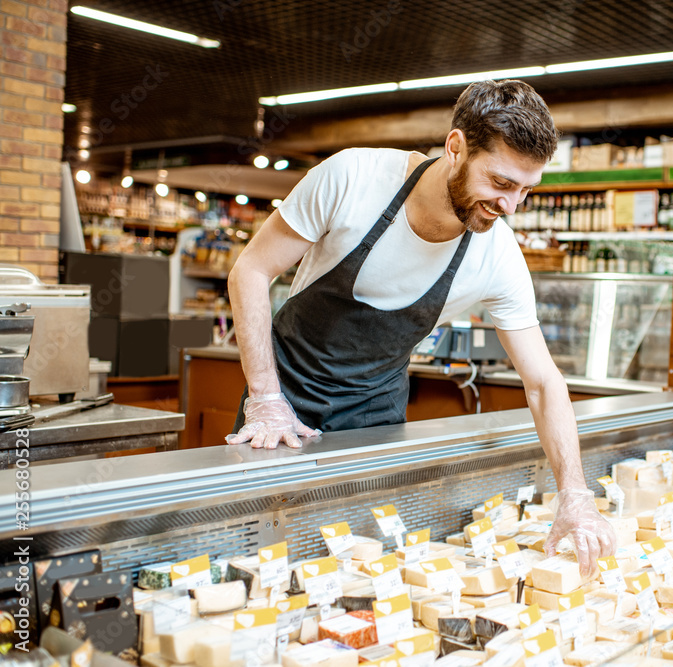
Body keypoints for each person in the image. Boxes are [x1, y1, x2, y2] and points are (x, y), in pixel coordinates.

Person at [225, 79, 615, 575]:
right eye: (499, 183)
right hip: (283, 402)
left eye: (524, 191)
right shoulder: (353, 177)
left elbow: (543, 383)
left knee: (363, 567)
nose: (510, 207)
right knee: (259, 558)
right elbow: (251, 270)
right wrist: (264, 397)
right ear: (456, 147)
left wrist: (574, 493)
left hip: (377, 413)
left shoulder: (497, 255)